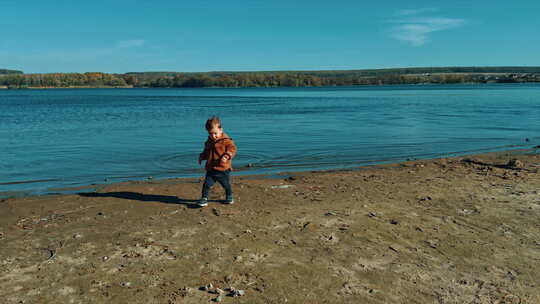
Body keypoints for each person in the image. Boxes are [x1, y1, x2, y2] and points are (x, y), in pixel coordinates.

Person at [197, 116, 237, 207]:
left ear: (221, 130)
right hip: (211, 168)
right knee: (206, 184)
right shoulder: (209, 141)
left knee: (225, 185)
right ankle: (204, 198)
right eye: (210, 134)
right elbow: (206, 151)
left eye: (215, 133)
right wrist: (201, 157)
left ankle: (229, 196)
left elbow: (233, 149)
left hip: (223, 168)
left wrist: (227, 155)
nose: (213, 136)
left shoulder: (226, 140)